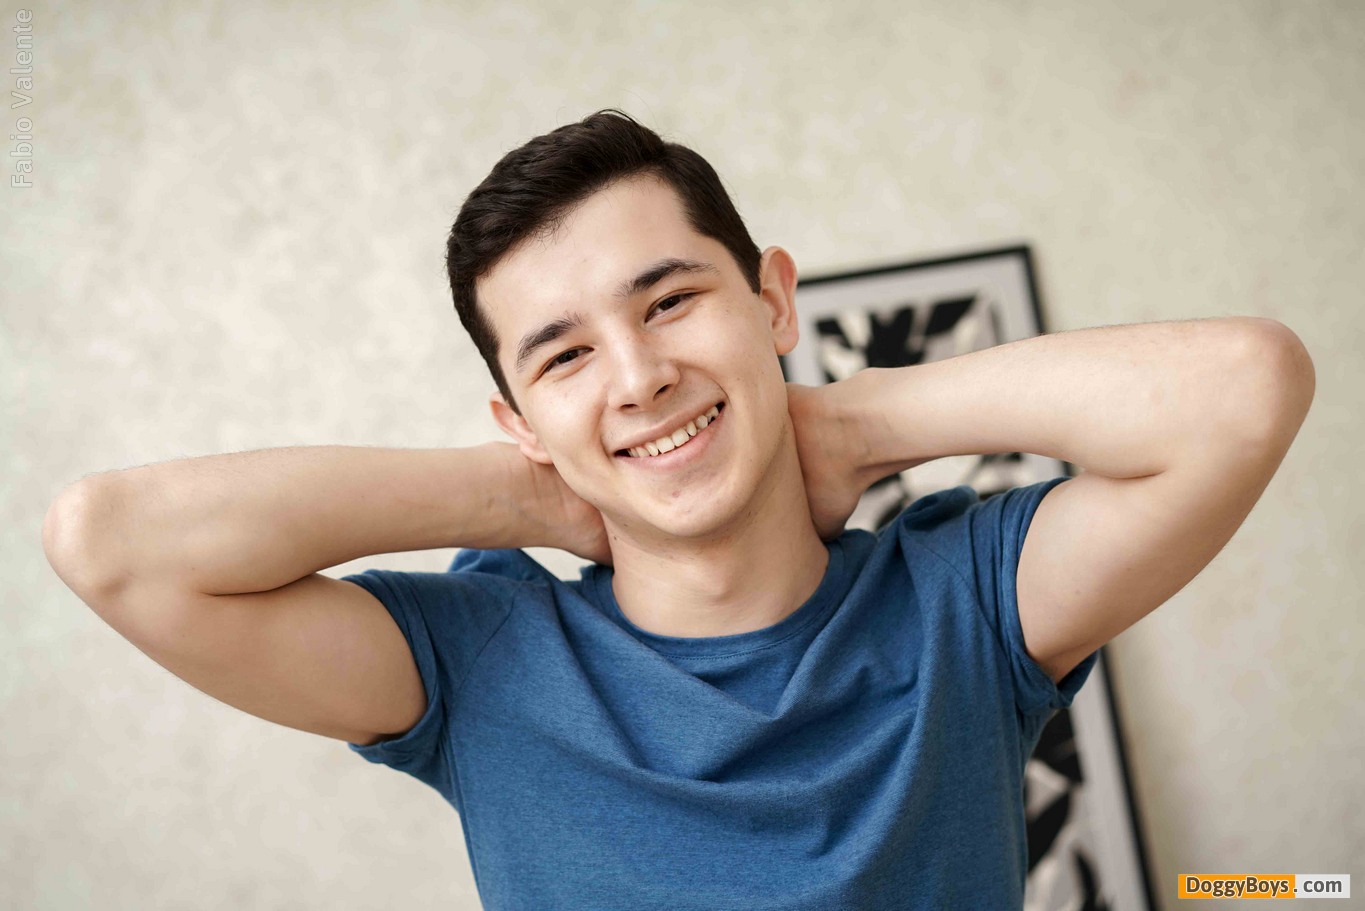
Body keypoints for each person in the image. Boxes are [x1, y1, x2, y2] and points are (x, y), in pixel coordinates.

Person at [42, 109, 1314, 910]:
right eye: (563, 356)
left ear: (772, 300)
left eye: (668, 302)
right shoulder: (481, 661)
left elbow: (1247, 387)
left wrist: (853, 424)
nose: (640, 374)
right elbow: (111, 543)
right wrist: (527, 491)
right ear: (516, 417)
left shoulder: (965, 602)